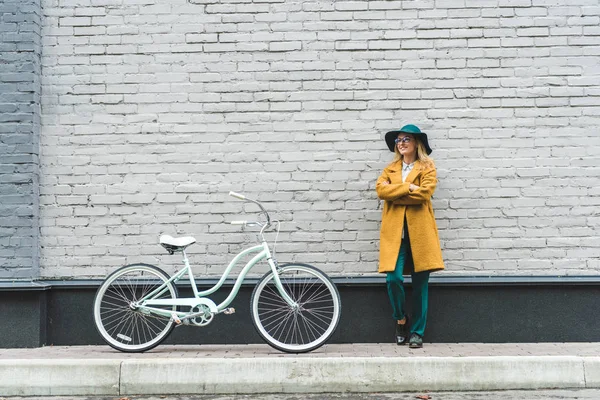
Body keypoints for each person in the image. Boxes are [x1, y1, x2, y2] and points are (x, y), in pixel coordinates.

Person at [375, 124, 445, 349]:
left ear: (417, 143)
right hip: (396, 236)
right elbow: (380, 191)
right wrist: (409, 188)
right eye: (398, 140)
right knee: (392, 279)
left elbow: (425, 193)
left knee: (420, 285)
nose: (401, 143)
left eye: (406, 139)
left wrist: (396, 190)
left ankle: (417, 332)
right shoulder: (391, 168)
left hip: (420, 234)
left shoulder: (427, 166)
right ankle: (400, 319)